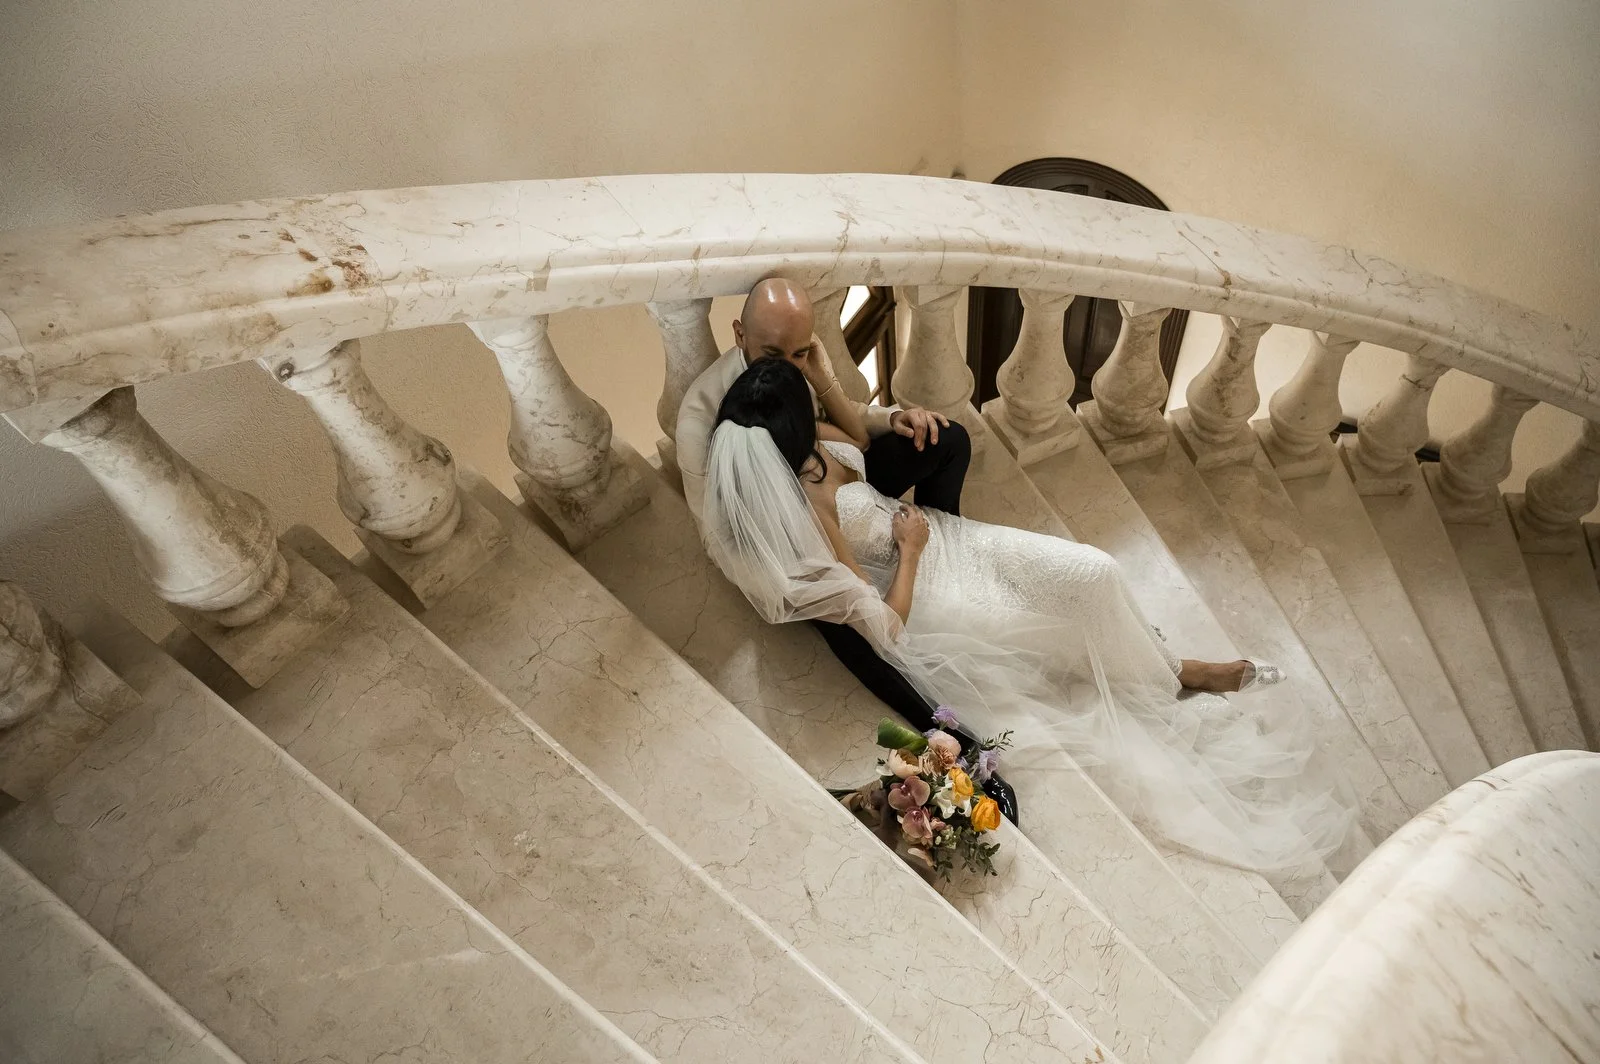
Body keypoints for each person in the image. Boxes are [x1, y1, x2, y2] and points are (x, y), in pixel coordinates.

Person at [701, 358, 1357, 872]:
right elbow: (886, 625)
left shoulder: (815, 442)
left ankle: (1161, 662)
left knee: (1095, 570)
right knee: (1058, 615)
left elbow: (856, 443)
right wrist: (910, 551)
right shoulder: (807, 511)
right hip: (926, 582)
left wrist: (821, 375)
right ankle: (1180, 671)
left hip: (953, 540)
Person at [675, 277, 1021, 820]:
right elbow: (717, 533)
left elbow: (850, 431)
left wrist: (887, 415)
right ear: (739, 333)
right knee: (852, 626)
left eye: (800, 352)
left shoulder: (798, 363)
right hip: (789, 533)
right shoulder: (701, 416)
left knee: (947, 439)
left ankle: (945, 547)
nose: (793, 364)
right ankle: (956, 740)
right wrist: (801, 572)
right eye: (777, 354)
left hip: (830, 472)